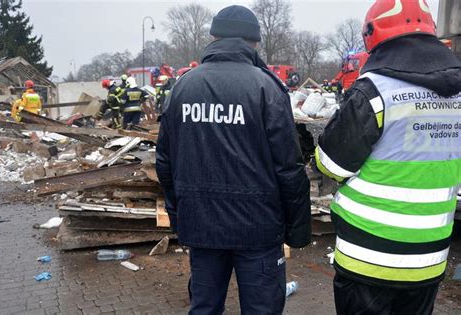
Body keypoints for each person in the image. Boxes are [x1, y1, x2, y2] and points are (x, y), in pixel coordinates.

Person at [156, 5, 311, 314]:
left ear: (214, 38)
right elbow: (288, 168)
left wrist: (179, 216)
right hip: (258, 228)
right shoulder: (267, 87)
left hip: (201, 225)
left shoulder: (183, 87)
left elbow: (165, 161)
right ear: (253, 42)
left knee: (204, 308)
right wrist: (298, 229)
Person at [315, 0, 461, 314]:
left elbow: (331, 163)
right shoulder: (458, 95)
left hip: (368, 258)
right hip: (428, 260)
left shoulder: (376, 91)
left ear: (373, 35)